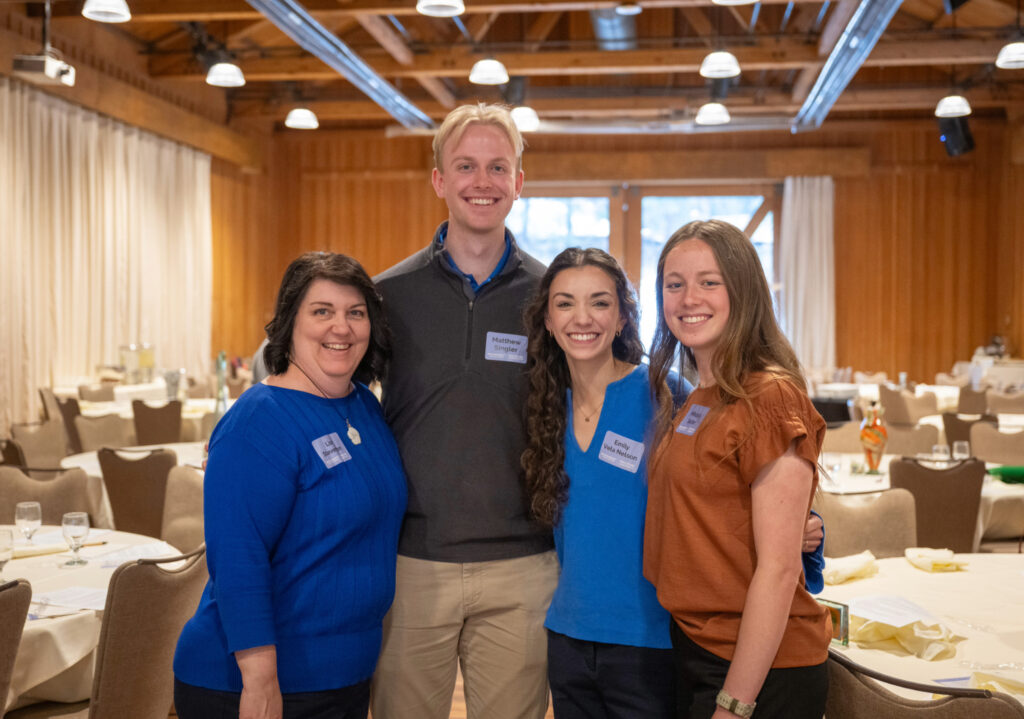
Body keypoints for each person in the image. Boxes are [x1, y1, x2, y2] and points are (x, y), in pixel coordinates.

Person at [521, 248, 827, 719]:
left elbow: (744, 489)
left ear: (624, 317)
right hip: (569, 636)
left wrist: (807, 530)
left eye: (600, 302)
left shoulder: (669, 396)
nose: (582, 317)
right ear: (545, 318)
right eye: (564, 303)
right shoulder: (543, 408)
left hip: (654, 641)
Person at [369, 103, 557, 719]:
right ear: (440, 181)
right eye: (467, 165)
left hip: (523, 567)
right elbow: (328, 392)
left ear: (519, 183)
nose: (483, 181)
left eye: (498, 167)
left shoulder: (554, 297)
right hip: (411, 562)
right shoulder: (386, 296)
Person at [173, 252, 407, 719]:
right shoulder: (258, 421)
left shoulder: (363, 406)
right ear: (289, 322)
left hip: (344, 675)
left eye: (354, 313)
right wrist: (259, 681)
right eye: (322, 311)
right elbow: (238, 560)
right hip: (255, 683)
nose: (340, 327)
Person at [644, 220, 832, 719]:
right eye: (674, 283)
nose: (689, 298)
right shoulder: (698, 396)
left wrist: (734, 702)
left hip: (760, 669)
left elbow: (779, 568)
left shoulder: (769, 395)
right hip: (700, 647)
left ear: (743, 291)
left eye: (709, 281)